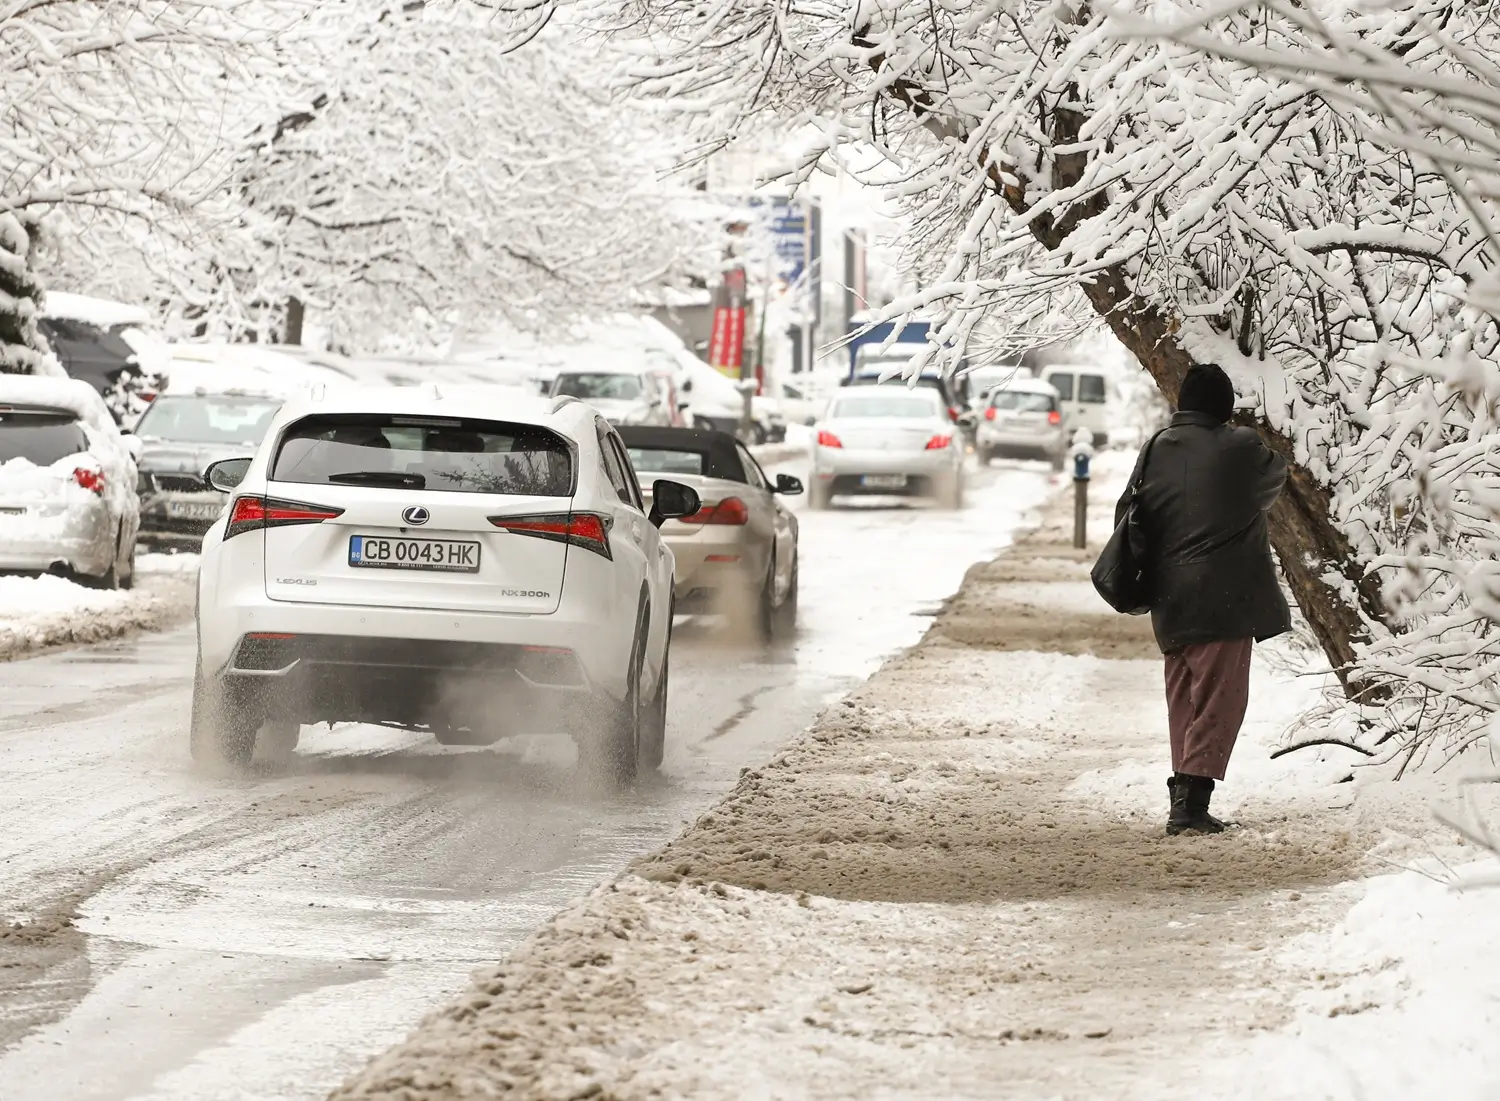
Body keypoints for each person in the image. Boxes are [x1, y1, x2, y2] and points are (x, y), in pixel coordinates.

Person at [1120, 362, 1290, 835]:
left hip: (1169, 598)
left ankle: (1184, 796)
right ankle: (1191, 805)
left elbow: (1133, 513)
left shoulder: (1157, 447)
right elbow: (1275, 477)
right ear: (1224, 406)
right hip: (1225, 597)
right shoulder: (1240, 447)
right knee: (1221, 699)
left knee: (1184, 699)